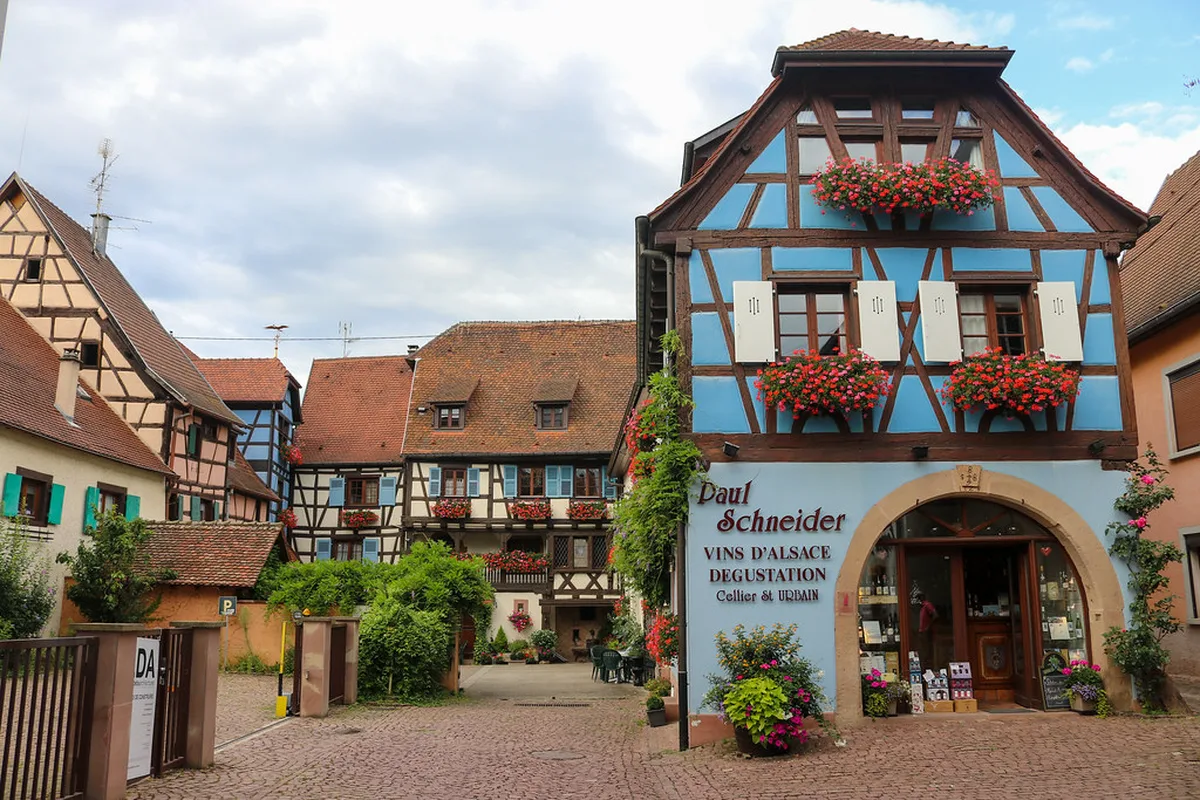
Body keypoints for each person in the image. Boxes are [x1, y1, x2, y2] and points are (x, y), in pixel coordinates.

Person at [917, 592, 938, 668]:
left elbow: (935, 615)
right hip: (922, 631)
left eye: (919, 598)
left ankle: (929, 667)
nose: (918, 600)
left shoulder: (927, 605)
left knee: (927, 651)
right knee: (923, 651)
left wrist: (928, 627)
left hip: (926, 632)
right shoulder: (922, 607)